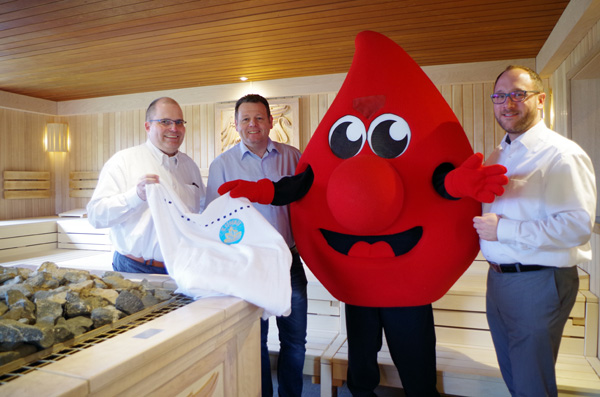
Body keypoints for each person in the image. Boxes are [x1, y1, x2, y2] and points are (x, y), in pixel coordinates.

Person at [473, 65, 596, 396]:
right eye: (500, 96)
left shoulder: (562, 154)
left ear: (541, 100)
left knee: (531, 385)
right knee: (516, 378)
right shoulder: (499, 154)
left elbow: (577, 226)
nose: (508, 103)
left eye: (518, 94)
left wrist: (505, 231)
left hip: (538, 281)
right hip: (499, 279)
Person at [205, 94, 307, 397]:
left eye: (259, 118)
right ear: (236, 125)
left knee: (295, 341)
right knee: (255, 342)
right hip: (246, 265)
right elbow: (214, 221)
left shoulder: (293, 157)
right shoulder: (222, 164)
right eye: (246, 119)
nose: (253, 124)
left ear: (271, 122)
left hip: (288, 261)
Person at [87, 97, 205, 275]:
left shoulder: (190, 166)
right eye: (165, 122)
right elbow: (96, 216)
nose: (174, 128)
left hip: (183, 268)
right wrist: (136, 196)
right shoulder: (123, 161)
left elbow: (201, 213)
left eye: (179, 122)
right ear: (148, 126)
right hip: (135, 268)